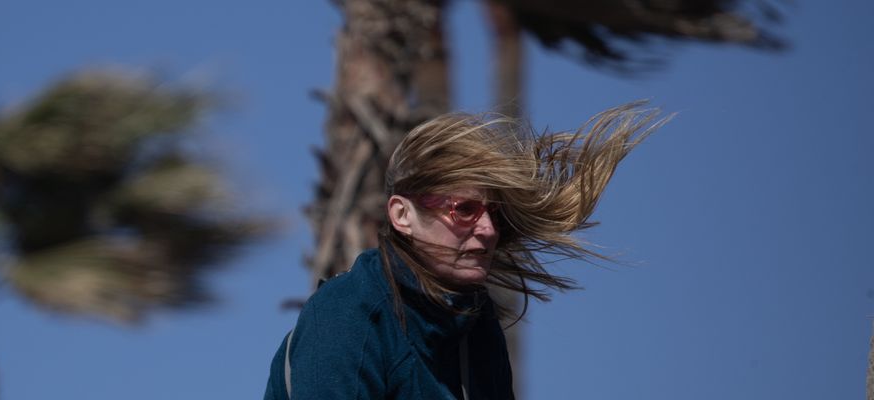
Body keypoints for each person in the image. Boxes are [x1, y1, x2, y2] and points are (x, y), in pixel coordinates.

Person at [263, 102, 668, 399]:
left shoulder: (474, 325)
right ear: (402, 216)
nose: (488, 230)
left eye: (495, 212)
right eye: (465, 210)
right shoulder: (349, 314)